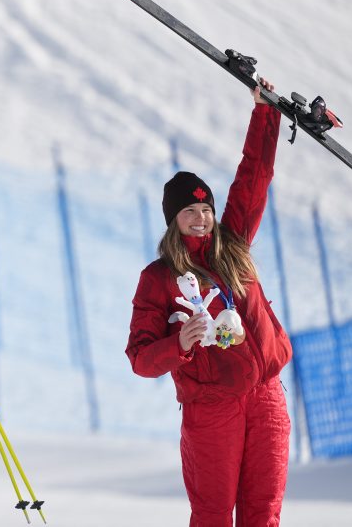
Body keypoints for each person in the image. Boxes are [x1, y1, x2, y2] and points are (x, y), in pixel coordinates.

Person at [126, 78, 293, 526]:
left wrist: (266, 113)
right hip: (212, 409)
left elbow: (254, 179)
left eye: (206, 211)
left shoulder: (233, 245)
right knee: (214, 515)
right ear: (173, 221)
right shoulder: (158, 279)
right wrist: (179, 342)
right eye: (189, 213)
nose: (201, 220)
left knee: (263, 514)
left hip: (266, 398)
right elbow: (141, 358)